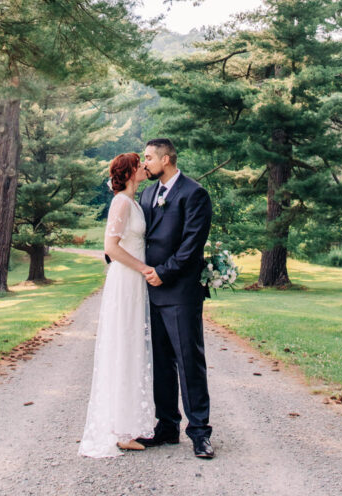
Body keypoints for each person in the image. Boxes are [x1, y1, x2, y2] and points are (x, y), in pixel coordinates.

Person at [137, 137, 214, 460]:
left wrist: (163, 272)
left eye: (150, 157)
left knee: (188, 362)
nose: (145, 163)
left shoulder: (194, 194)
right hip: (150, 293)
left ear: (166, 159)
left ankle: (200, 433)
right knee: (161, 365)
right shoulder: (147, 193)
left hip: (180, 292)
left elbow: (191, 245)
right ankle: (166, 426)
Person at [78, 152, 155, 457]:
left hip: (135, 281)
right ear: (129, 172)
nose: (144, 167)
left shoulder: (136, 202)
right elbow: (111, 248)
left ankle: (128, 423)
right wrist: (143, 269)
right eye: (140, 164)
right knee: (123, 346)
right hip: (125, 280)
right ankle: (119, 431)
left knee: (133, 346)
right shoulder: (121, 203)